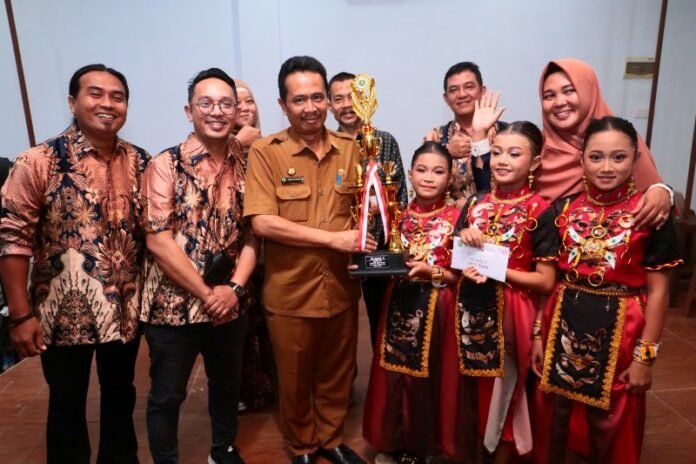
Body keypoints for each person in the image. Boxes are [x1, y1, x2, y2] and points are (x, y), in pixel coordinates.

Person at [0, 64, 150, 463]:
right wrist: (20, 315)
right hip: (61, 314)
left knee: (121, 396)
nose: (107, 104)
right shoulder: (38, 161)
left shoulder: (140, 161)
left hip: (125, 310)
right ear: (73, 101)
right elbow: (12, 239)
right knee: (66, 404)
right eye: (95, 94)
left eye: (117, 97)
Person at [243, 56, 374, 464]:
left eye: (318, 97)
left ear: (329, 102)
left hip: (340, 287)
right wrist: (332, 239)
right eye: (299, 100)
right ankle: (302, 445)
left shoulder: (351, 149)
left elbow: (365, 209)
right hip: (291, 291)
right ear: (283, 105)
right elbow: (263, 222)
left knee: (338, 372)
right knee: (295, 377)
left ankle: (331, 439)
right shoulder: (266, 152)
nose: (311, 107)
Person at [533, 116, 682, 463]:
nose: (606, 167)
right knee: (555, 417)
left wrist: (645, 358)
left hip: (622, 331)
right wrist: (538, 334)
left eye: (619, 157)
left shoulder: (651, 213)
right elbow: (550, 280)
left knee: (613, 422)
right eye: (596, 157)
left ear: (635, 159)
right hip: (562, 323)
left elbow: (659, 293)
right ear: (582, 159)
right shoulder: (562, 209)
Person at [140, 68, 257, 464]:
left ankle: (223, 449)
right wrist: (209, 294)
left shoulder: (249, 164)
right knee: (167, 395)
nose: (217, 111)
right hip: (173, 307)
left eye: (226, 104)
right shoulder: (165, 165)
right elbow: (158, 240)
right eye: (206, 103)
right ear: (189, 111)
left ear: (237, 110)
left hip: (231, 302)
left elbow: (254, 234)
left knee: (227, 385)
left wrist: (234, 289)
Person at [441, 112, 558, 463]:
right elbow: (454, 260)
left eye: (514, 153)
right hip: (470, 304)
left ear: (535, 162)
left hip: (511, 313)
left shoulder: (542, 211)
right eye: (497, 152)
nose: (503, 160)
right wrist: (465, 239)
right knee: (471, 390)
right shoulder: (475, 203)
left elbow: (545, 280)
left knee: (505, 393)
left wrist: (497, 270)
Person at [362, 141, 460, 464]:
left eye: (438, 171)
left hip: (438, 307)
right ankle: (392, 442)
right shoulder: (398, 216)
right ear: (410, 173)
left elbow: (462, 277)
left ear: (450, 177)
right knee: (393, 375)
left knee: (428, 379)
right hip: (398, 303)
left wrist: (434, 272)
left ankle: (426, 446)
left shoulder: (458, 217)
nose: (428, 177)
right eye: (422, 170)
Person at [537, 58, 672, 229]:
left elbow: (651, 189)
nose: (559, 102)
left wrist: (662, 191)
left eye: (569, 91)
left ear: (588, 91)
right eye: (549, 96)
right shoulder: (536, 149)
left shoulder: (620, 137)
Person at [328, 71, 408, 346]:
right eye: (338, 99)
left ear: (365, 99)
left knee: (383, 320)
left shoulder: (385, 141)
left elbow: (400, 195)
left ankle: (381, 373)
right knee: (338, 326)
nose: (346, 105)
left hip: (380, 249)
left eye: (352, 97)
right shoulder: (327, 145)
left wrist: (395, 243)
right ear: (329, 105)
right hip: (340, 248)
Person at [231, 79, 277, 412]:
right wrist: (236, 145)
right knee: (240, 331)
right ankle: (243, 392)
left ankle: (271, 390)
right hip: (233, 255)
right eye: (237, 102)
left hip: (269, 253)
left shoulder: (268, 146)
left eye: (250, 101)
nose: (245, 108)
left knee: (268, 327)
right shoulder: (218, 149)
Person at [424, 62, 504, 208]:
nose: (461, 95)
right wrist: (446, 153)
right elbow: (423, 186)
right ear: (446, 98)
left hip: (499, 215)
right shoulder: (435, 138)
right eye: (454, 90)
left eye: (469, 87)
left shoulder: (506, 134)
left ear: (482, 91)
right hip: (451, 219)